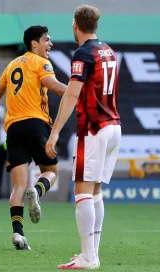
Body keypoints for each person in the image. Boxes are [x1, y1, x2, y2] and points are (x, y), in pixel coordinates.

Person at [45, 5, 121, 269]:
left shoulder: (83, 53)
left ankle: (88, 257)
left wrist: (54, 133)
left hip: (93, 128)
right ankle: (92, 254)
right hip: (113, 125)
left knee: (82, 192)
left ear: (75, 24)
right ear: (96, 26)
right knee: (95, 191)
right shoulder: (108, 50)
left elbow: (72, 95)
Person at [0, 25, 67, 250]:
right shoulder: (41, 63)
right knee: (51, 171)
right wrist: (78, 91)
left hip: (13, 128)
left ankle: (18, 235)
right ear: (34, 44)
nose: (51, 44)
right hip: (36, 124)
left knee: (18, 185)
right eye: (47, 40)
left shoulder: (11, 65)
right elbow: (54, 87)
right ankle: (37, 192)